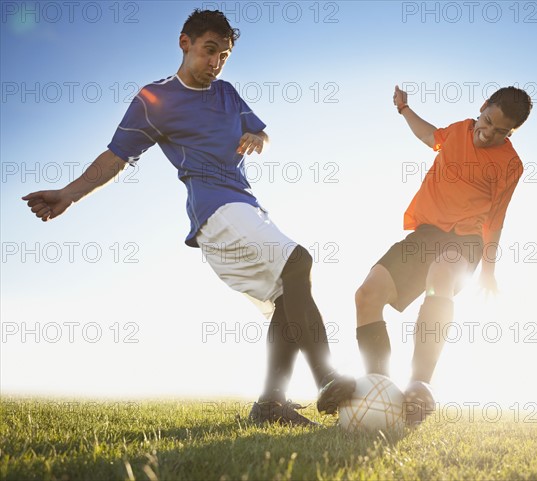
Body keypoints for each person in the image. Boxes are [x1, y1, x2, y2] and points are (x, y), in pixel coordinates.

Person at [22, 9, 353, 427]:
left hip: (246, 207)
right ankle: (327, 378)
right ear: (185, 43)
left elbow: (261, 132)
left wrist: (257, 137)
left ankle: (270, 405)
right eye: (209, 50)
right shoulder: (154, 100)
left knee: (289, 299)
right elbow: (115, 158)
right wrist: (67, 194)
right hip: (215, 212)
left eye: (224, 55)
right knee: (299, 260)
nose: (215, 63)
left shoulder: (228, 93)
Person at [317, 85, 533, 425]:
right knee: (366, 295)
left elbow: (496, 220)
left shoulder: (511, 164)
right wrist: (404, 110)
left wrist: (488, 270)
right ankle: (379, 383)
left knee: (442, 277)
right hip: (427, 233)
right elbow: (429, 135)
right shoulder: (460, 130)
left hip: (465, 240)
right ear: (483, 107)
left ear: (510, 134)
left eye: (500, 131)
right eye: (488, 121)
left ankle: (420, 386)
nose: (488, 133)